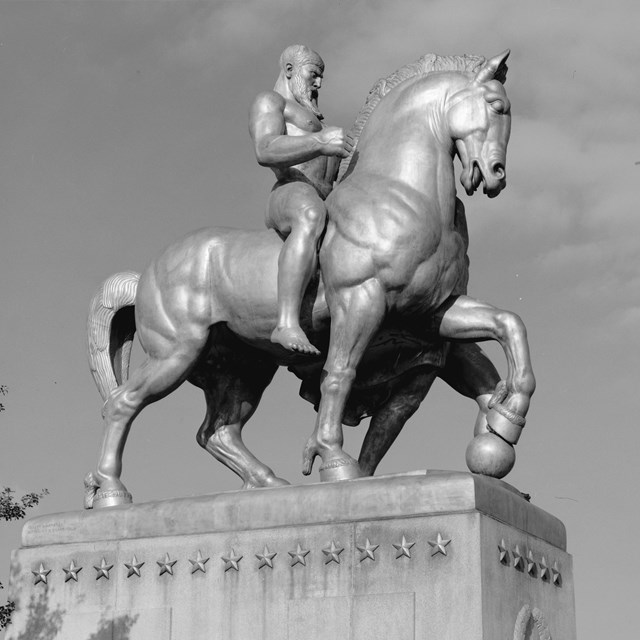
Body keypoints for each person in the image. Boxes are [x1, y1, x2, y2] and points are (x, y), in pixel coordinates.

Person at [249, 45, 353, 355]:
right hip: (290, 189)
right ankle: (285, 322)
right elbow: (265, 149)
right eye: (314, 75)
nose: (319, 84)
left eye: (322, 77)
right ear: (291, 70)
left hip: (326, 195)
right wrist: (321, 141)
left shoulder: (317, 119)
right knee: (310, 214)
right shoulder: (270, 102)